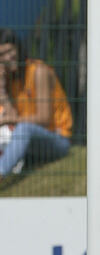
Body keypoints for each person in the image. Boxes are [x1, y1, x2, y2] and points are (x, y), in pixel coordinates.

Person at [0, 29, 73, 178]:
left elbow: (44, 119)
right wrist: (2, 90)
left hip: (57, 139)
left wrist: (6, 120)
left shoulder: (39, 71)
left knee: (24, 128)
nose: (8, 57)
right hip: (25, 141)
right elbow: (14, 120)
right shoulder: (8, 78)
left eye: (10, 51)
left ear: (18, 48)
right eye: (2, 55)